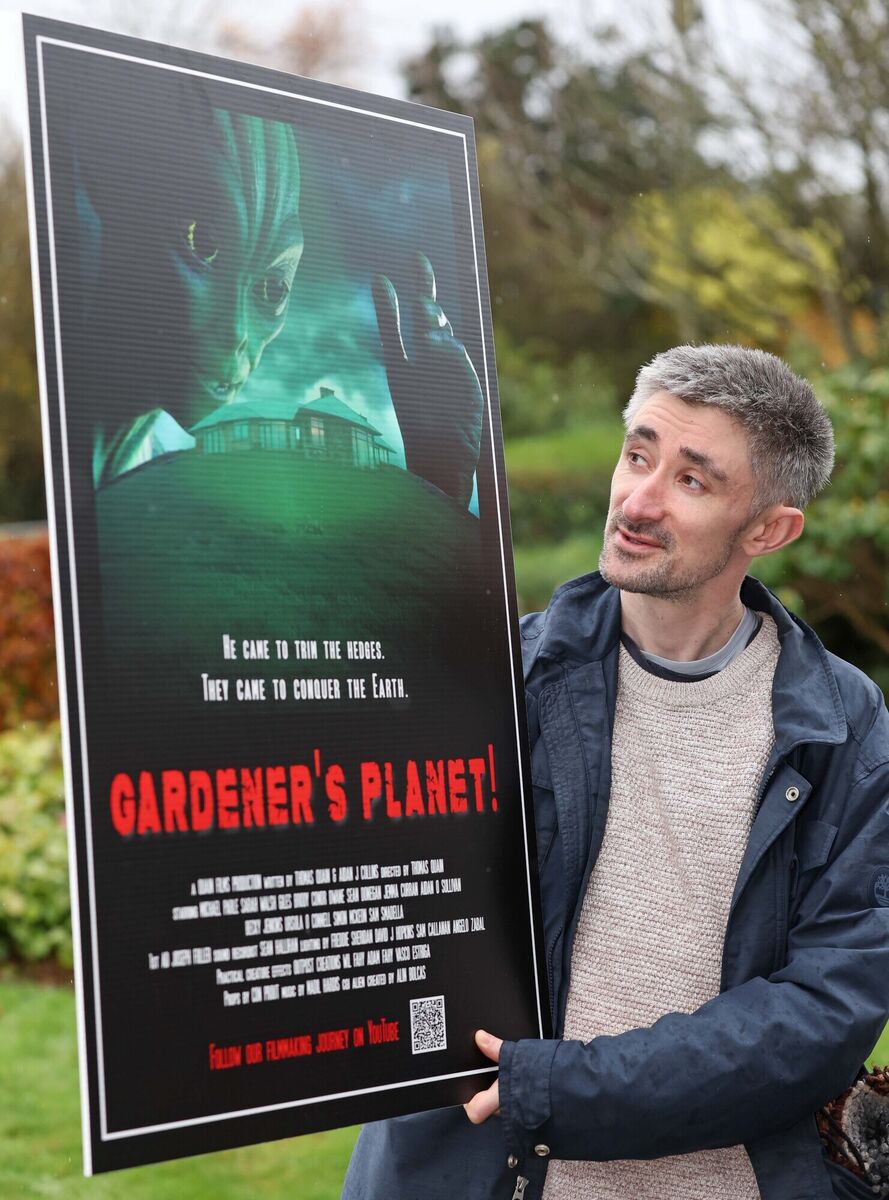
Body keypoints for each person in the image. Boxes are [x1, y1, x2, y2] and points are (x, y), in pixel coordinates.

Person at [342, 343, 889, 1200]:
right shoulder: (490, 680)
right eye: (637, 456)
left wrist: (559, 1091)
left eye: (691, 480)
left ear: (768, 530)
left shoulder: (843, 728)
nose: (636, 501)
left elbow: (824, 1012)